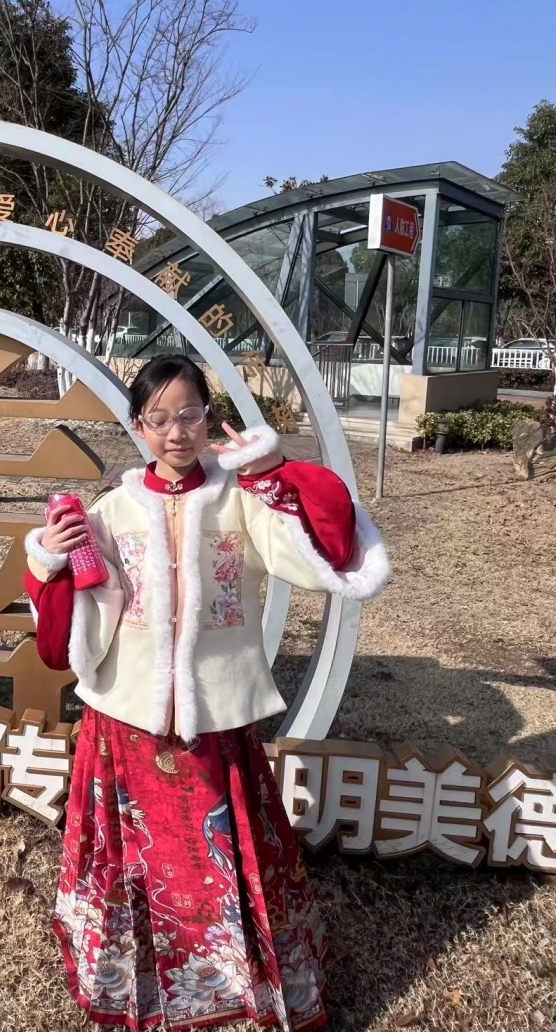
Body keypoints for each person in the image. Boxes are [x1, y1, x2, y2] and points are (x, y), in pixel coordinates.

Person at [24, 355, 389, 1032]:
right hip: (126, 717)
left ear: (209, 418)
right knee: (132, 864)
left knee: (226, 855)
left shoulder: (240, 500)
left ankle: (235, 979)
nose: (175, 432)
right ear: (138, 426)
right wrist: (50, 558)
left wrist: (274, 471)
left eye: (189, 414)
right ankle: (130, 981)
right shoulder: (113, 511)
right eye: (158, 418)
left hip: (217, 716)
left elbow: (327, 546)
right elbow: (69, 632)